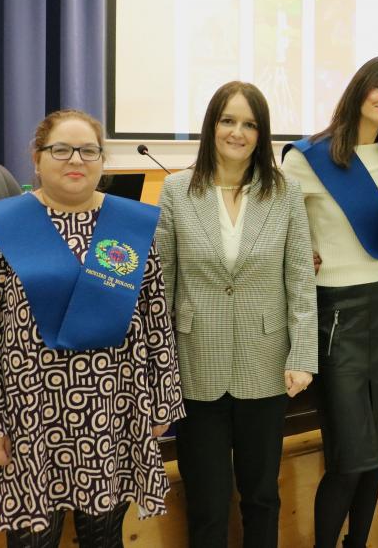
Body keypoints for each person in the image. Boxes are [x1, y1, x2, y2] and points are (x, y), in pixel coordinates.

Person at [0, 109, 184, 547]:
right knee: (33, 540)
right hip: (27, 418)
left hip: (112, 413)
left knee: (104, 537)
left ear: (101, 161)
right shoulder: (1, 229)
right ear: (37, 159)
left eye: (89, 150)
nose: (75, 159)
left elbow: (157, 321)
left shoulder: (132, 227)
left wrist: (161, 404)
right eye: (61, 149)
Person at [156, 81, 317, 547]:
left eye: (250, 124)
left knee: (261, 494)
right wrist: (159, 367)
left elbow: (300, 280)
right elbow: (162, 283)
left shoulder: (285, 191)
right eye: (228, 120)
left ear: (262, 133)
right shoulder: (176, 189)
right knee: (206, 499)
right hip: (195, 363)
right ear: (212, 126)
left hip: (265, 363)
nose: (237, 132)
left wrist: (302, 355)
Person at [282, 55, 378, 548]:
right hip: (336, 312)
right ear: (359, 88)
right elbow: (286, 236)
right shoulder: (305, 157)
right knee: (349, 455)